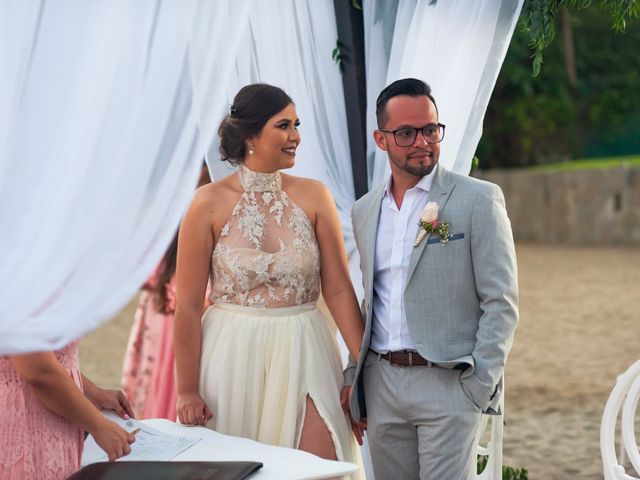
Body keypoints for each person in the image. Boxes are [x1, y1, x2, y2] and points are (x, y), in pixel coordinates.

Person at [173, 83, 364, 476]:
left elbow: (340, 288)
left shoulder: (315, 196)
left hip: (305, 345)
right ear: (250, 137)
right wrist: (187, 390)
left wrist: (365, 368)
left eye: (297, 125)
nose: (296, 136)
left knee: (321, 465)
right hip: (231, 355)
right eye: (283, 126)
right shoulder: (205, 203)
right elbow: (189, 304)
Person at [343, 78, 519, 480]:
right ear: (381, 139)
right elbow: (374, 300)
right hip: (382, 383)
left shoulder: (478, 199)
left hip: (448, 383)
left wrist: (477, 386)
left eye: (430, 130)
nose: (422, 141)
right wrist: (355, 376)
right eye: (406, 133)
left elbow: (501, 301)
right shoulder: (364, 210)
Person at [122, 165, 211, 420]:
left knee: (166, 387)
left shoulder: (169, 224)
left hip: (169, 321)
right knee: (165, 386)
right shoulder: (171, 227)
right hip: (173, 323)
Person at [1, 341, 135, 479]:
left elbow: (48, 361)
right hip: (24, 431)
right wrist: (99, 425)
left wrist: (93, 393)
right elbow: (38, 371)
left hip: (52, 427)